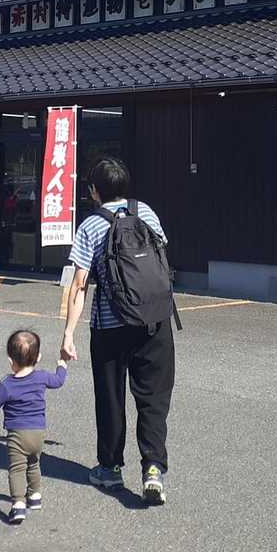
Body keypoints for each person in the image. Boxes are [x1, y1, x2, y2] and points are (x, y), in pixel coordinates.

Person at [60, 157, 174, 505]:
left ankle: (110, 468)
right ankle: (153, 467)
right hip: (154, 320)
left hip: (110, 327)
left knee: (111, 398)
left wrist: (68, 334)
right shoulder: (146, 213)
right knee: (153, 398)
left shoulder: (91, 225)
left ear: (94, 191)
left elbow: (79, 284)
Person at [0, 329, 69, 524]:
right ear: (38, 357)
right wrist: (62, 364)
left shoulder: (7, 384)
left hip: (17, 435)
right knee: (34, 463)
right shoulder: (42, 377)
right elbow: (58, 381)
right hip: (38, 433)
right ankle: (35, 496)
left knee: (17, 469)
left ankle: (18, 504)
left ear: (10, 361)